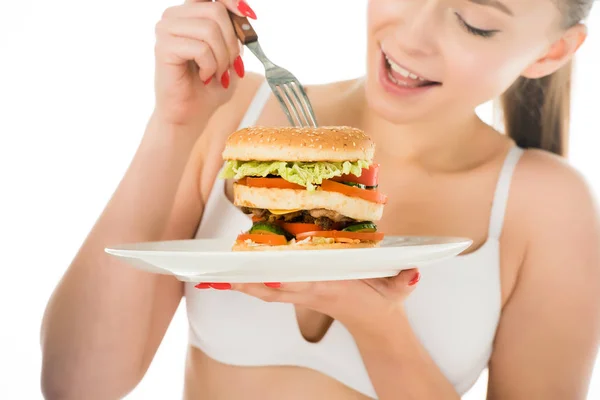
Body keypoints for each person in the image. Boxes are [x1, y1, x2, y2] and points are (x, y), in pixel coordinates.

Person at [40, 0, 600, 399]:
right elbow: (74, 384)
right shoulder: (233, 112)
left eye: (474, 24)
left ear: (553, 51)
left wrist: (376, 322)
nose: (410, 36)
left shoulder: (547, 207)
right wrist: (174, 124)